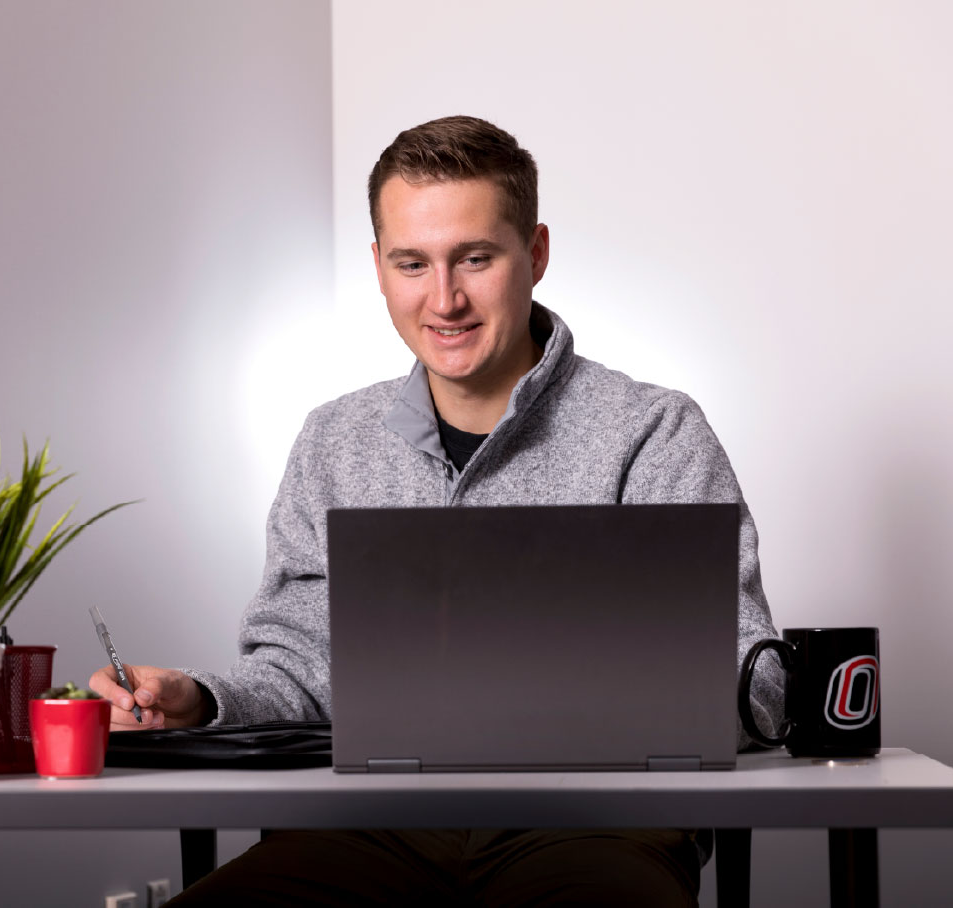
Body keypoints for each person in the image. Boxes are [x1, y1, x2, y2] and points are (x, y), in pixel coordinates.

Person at [91, 115, 786, 907]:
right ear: (380, 268)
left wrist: (691, 692)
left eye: (476, 258)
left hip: (596, 827)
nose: (444, 299)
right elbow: (299, 668)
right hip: (361, 829)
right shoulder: (333, 440)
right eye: (412, 263)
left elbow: (755, 684)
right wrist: (201, 698)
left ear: (537, 254)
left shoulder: (652, 431)